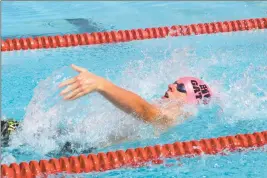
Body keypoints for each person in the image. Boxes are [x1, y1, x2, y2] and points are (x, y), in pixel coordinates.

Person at [1, 64, 212, 152]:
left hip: (72, 149)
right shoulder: (164, 109)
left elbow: (145, 112)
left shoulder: (172, 116)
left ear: (190, 100)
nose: (171, 85)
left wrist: (102, 85)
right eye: (175, 82)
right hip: (65, 138)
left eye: (180, 87)